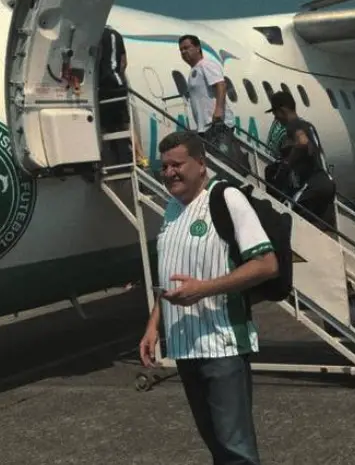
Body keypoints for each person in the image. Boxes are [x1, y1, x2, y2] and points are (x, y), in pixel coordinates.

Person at [138, 131, 278, 465]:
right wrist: (153, 325)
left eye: (177, 164)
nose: (169, 172)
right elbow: (170, 275)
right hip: (185, 347)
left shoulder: (226, 198)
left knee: (235, 449)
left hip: (222, 346)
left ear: (200, 164)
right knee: (216, 444)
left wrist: (203, 289)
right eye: (164, 166)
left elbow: (266, 264)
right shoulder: (171, 209)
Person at [266, 90, 336, 231]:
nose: (276, 118)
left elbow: (302, 142)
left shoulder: (293, 125)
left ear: (283, 111)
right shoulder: (307, 125)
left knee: (287, 212)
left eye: (275, 114)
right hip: (328, 182)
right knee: (318, 225)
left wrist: (289, 161)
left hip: (314, 183)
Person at [98, 25, 148, 168]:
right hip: (119, 83)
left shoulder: (98, 34)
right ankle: (141, 157)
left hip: (105, 84)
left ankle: (108, 159)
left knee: (104, 126)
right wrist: (119, 76)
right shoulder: (117, 35)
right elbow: (124, 62)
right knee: (125, 124)